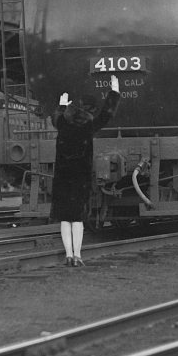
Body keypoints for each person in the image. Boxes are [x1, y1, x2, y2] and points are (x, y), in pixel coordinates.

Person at [51, 74, 121, 266]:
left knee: (65, 219)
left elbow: (55, 117)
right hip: (80, 178)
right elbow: (106, 115)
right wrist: (114, 92)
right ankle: (78, 255)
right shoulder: (89, 125)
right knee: (78, 219)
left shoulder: (62, 123)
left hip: (62, 178)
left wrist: (62, 104)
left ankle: (68, 254)